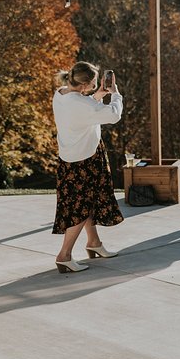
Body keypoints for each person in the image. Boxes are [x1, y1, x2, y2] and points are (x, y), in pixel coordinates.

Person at [52, 62, 125, 273]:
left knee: (87, 202)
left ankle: (94, 243)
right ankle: (64, 255)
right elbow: (113, 115)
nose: (94, 87)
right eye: (93, 85)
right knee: (81, 207)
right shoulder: (83, 104)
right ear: (84, 86)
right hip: (86, 159)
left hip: (69, 157)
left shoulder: (61, 94)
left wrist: (98, 95)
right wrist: (115, 94)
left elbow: (83, 110)